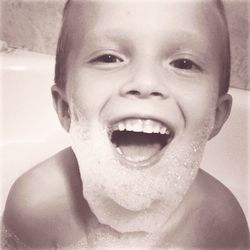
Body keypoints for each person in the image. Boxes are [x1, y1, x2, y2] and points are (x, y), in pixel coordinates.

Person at [1, 0, 249, 249]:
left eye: (183, 63)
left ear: (216, 115)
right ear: (65, 107)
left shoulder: (220, 223)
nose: (145, 82)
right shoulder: (35, 205)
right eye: (109, 58)